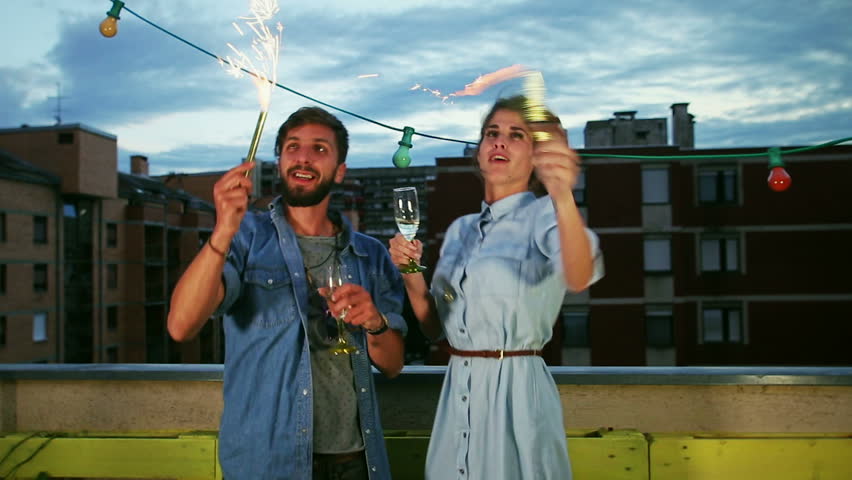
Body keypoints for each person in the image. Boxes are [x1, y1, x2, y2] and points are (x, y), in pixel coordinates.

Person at [168, 106, 406, 480]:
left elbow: (392, 364)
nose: (304, 157)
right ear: (279, 162)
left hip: (354, 461)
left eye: (320, 149)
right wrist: (222, 230)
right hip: (266, 461)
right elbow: (181, 326)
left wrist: (375, 322)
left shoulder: (371, 255)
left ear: (340, 171)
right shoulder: (246, 237)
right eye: (293, 147)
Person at [389, 95, 604, 479]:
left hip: (518, 395)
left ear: (536, 156)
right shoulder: (459, 230)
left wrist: (563, 195)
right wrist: (410, 273)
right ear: (479, 151)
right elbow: (435, 327)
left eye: (515, 135)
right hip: (457, 393)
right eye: (492, 133)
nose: (499, 142)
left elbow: (578, 275)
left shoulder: (546, 216)